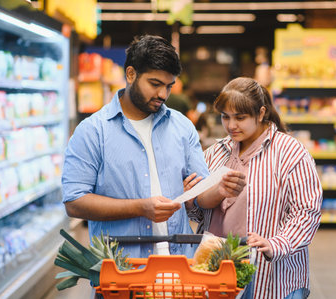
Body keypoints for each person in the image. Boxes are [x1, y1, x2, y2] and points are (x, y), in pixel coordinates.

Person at [61, 35, 246, 260]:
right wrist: (140, 208)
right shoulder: (92, 131)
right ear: (130, 74)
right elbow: (75, 202)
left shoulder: (182, 127)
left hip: (179, 266)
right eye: (155, 84)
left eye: (169, 86)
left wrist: (219, 190)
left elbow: (199, 196)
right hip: (123, 269)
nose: (163, 95)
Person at [187, 77, 323, 299]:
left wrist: (276, 244)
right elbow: (199, 213)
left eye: (240, 118)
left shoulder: (290, 152)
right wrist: (191, 199)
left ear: (261, 113)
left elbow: (307, 212)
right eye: (225, 117)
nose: (231, 126)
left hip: (274, 278)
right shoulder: (215, 153)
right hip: (217, 275)